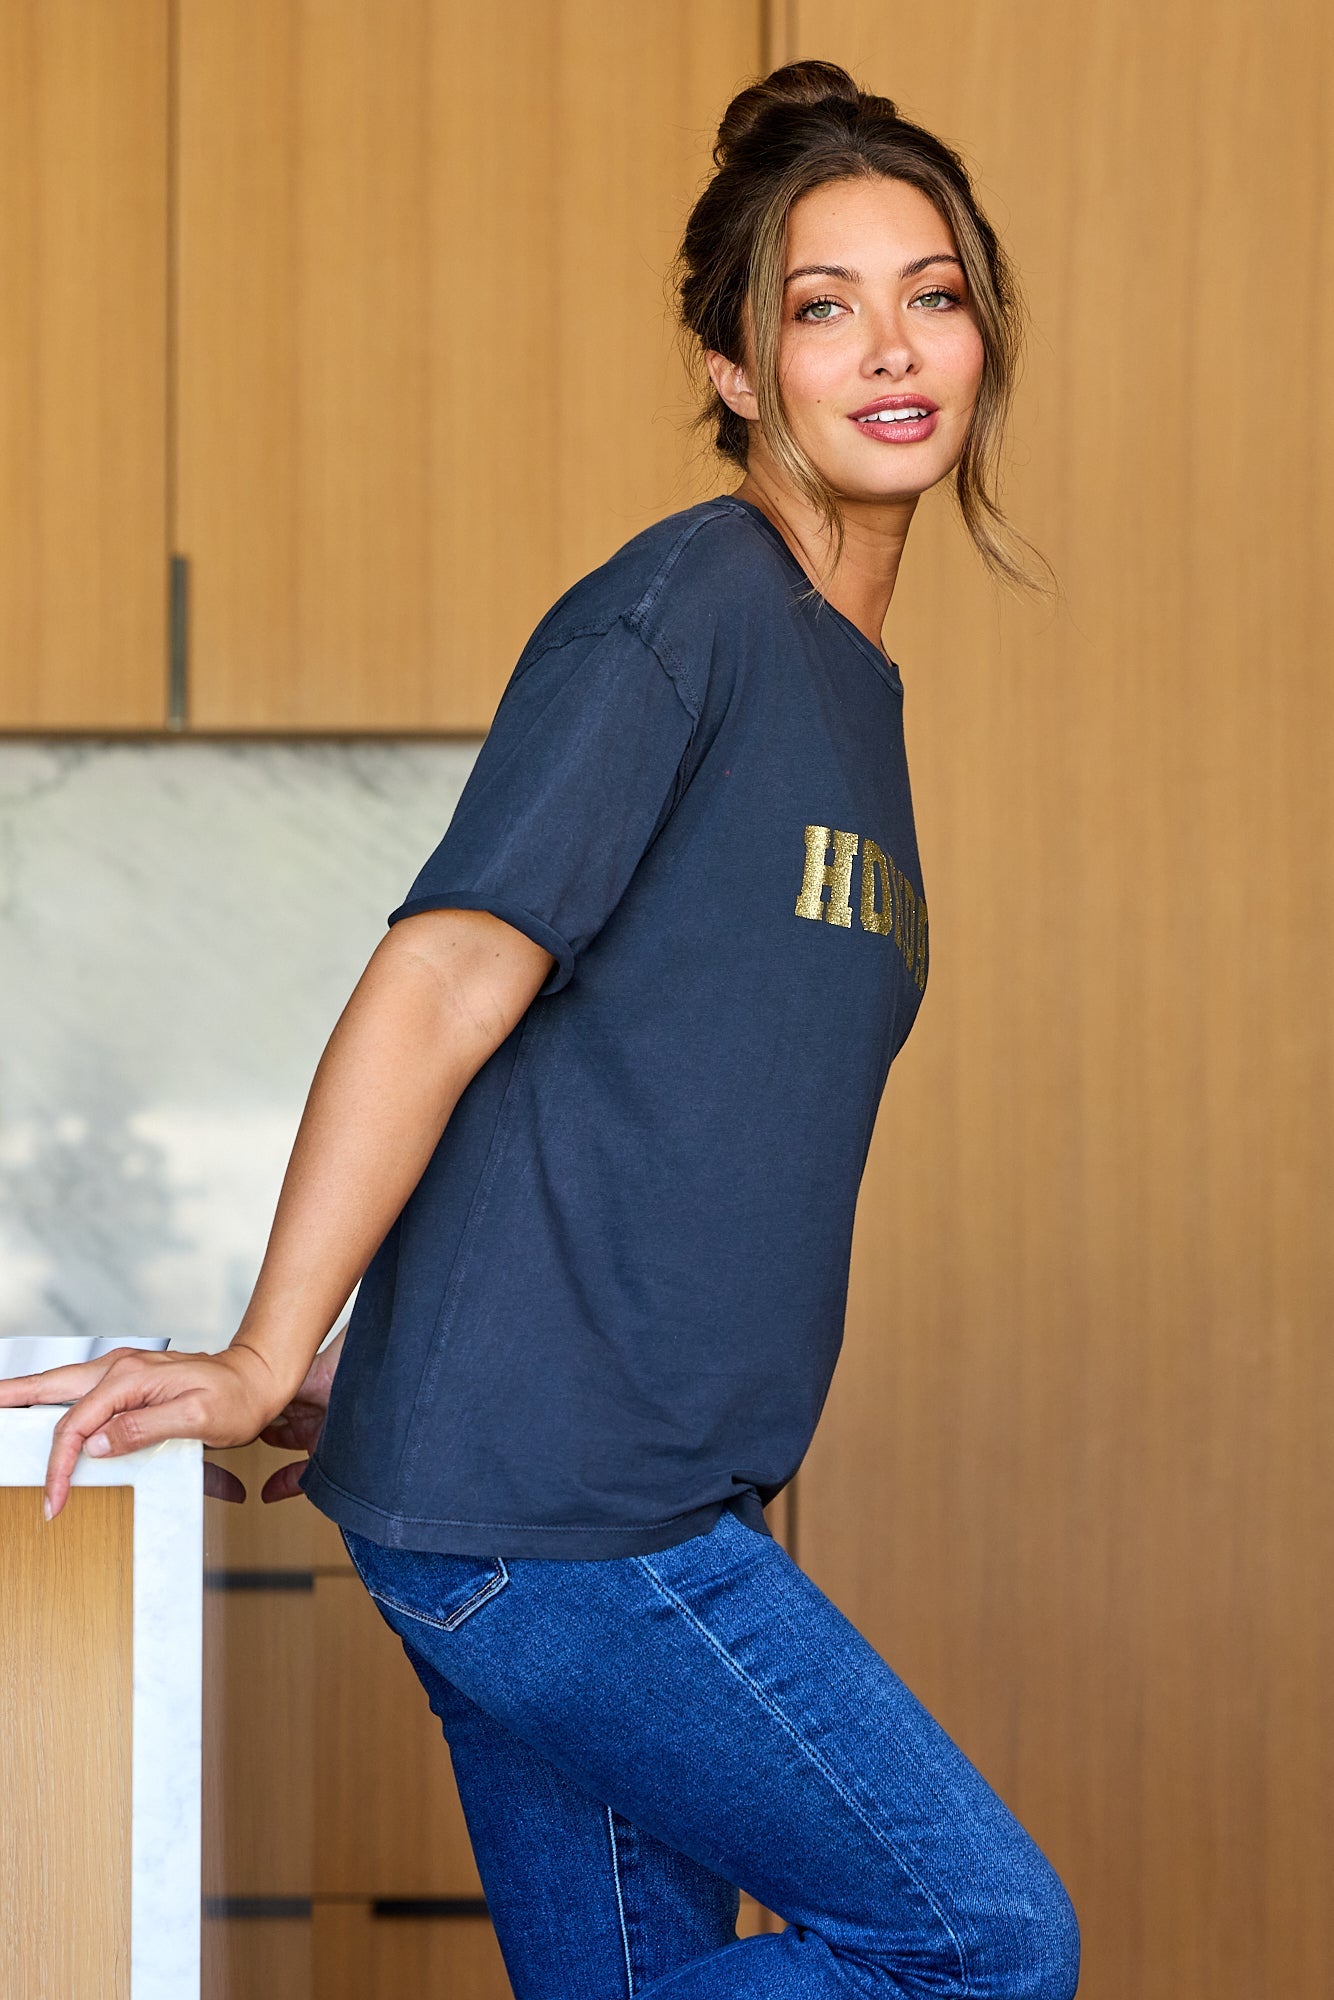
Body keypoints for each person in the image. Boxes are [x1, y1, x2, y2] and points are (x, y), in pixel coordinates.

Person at [4, 62, 1080, 2000]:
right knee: (978, 1947)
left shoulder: (846, 686)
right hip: (575, 1513)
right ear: (734, 364)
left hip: (579, 1479)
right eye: (819, 304)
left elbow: (652, 1094)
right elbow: (446, 974)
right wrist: (262, 1350)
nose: (887, 345)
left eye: (929, 293)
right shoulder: (686, 608)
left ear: (982, 332)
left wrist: (403, 1354)